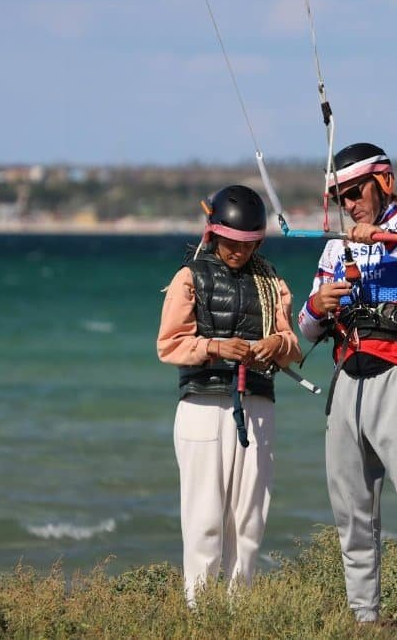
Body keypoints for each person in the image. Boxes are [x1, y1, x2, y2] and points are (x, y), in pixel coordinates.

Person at [297, 142, 397, 638]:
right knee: (353, 517)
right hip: (347, 383)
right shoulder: (335, 247)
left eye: (355, 192)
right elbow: (306, 329)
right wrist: (318, 304)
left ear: (384, 181)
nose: (349, 204)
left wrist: (392, 242)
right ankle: (365, 622)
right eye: (340, 197)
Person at [157, 185, 302, 605]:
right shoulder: (189, 276)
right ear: (212, 233)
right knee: (204, 518)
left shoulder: (273, 280)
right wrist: (215, 347)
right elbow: (169, 345)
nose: (237, 251)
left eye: (247, 243)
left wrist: (277, 345)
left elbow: (291, 345)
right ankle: (199, 613)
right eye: (230, 242)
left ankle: (239, 613)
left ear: (258, 240)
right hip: (202, 404)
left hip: (257, 403)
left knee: (250, 520)